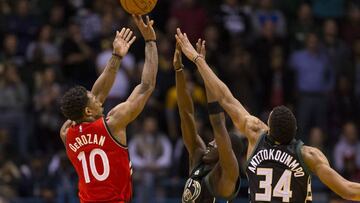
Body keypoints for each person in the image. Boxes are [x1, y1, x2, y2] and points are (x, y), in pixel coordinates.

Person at [175, 28, 360, 202]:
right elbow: (346, 189)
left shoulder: (256, 134)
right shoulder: (308, 155)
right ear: (295, 131)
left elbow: (225, 97)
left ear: (269, 128)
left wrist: (198, 59)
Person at [59, 15, 158, 203]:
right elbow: (146, 86)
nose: (99, 101)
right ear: (88, 112)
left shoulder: (66, 133)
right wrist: (150, 41)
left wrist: (116, 56)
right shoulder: (113, 124)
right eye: (93, 101)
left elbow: (96, 96)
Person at [173, 42, 241, 202]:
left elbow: (218, 122)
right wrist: (178, 70)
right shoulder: (198, 156)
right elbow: (186, 114)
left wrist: (202, 66)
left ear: (227, 149)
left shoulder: (228, 175)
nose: (211, 143)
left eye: (217, 142)